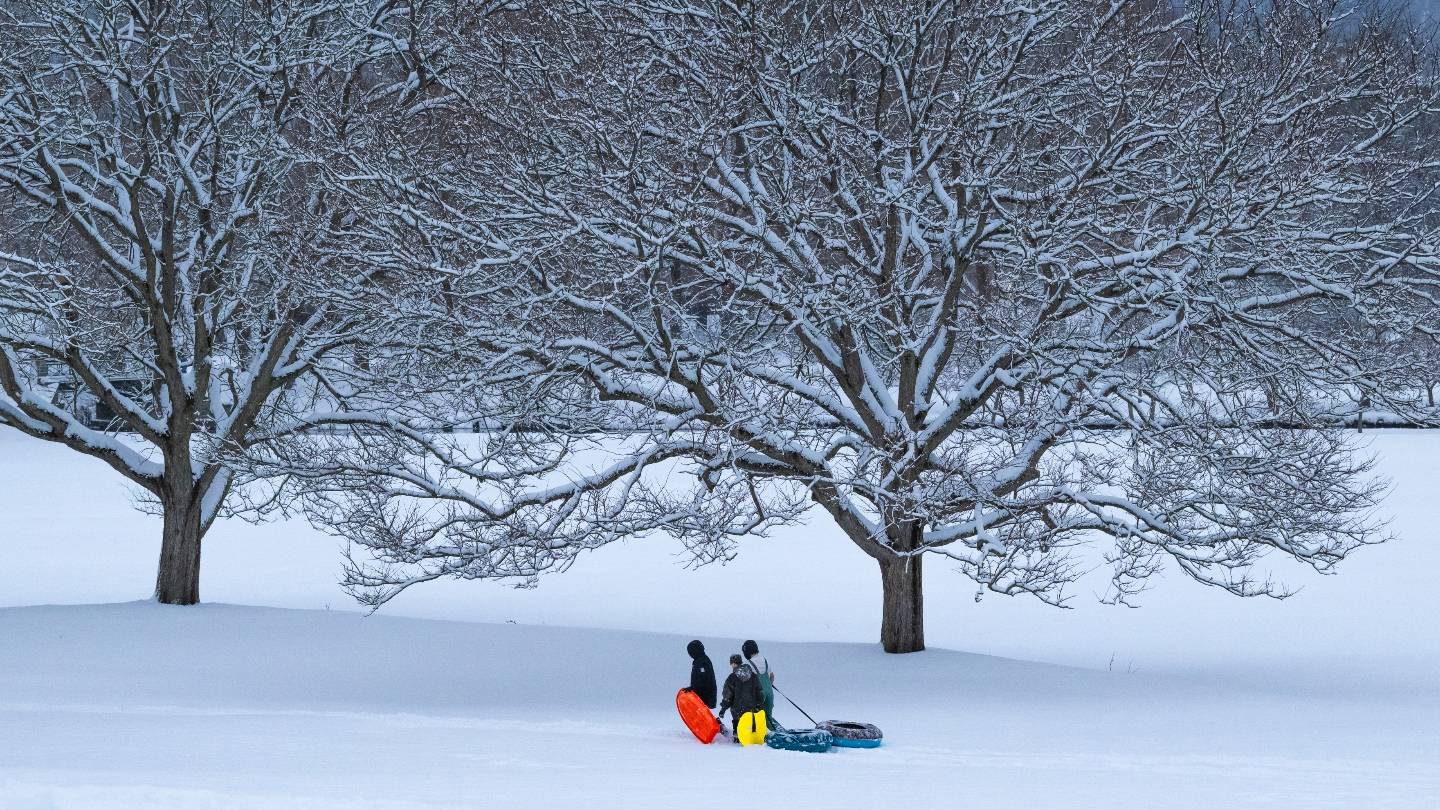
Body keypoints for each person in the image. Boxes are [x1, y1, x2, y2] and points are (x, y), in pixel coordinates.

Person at [717, 653, 764, 742]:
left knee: (737, 722)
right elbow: (760, 691)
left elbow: (727, 695)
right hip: (751, 708)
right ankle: (750, 737)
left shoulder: (732, 678)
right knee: (749, 724)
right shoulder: (753, 675)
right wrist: (759, 704)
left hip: (737, 709)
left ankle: (737, 736)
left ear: (733, 664)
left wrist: (723, 708)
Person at [741, 639, 778, 729]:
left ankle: (757, 735)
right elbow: (772, 676)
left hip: (758, 694)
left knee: (756, 716)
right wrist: (768, 685)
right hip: (769, 693)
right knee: (768, 717)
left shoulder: (748, 664)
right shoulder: (765, 660)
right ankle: (771, 735)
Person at [685, 639, 717, 709]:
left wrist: (693, 688)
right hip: (703, 698)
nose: (690, 654)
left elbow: (704, 680)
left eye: (690, 651)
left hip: (704, 699)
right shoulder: (700, 660)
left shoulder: (702, 662)